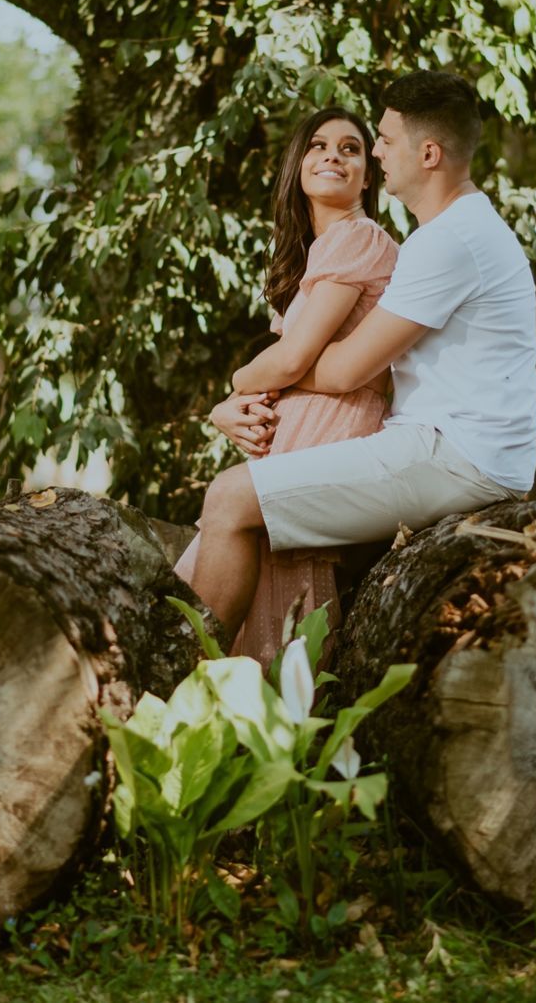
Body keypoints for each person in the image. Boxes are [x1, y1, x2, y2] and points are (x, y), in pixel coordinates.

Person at [189, 71, 536, 642]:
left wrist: (250, 380)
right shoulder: (452, 232)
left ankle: (185, 685)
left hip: (457, 455)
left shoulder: (451, 240)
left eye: (383, 139)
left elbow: (351, 368)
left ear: (428, 153)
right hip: (448, 446)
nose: (376, 151)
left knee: (230, 497)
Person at [175, 106, 400, 663]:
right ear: (298, 166)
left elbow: (293, 358)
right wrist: (229, 410)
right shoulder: (317, 253)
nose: (333, 156)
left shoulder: (359, 239)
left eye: (351, 149)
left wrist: (234, 383)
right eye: (319, 146)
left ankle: (234, 717)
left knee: (275, 591)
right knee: (219, 577)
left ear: (367, 176)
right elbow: (288, 366)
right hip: (303, 423)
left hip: (334, 423)